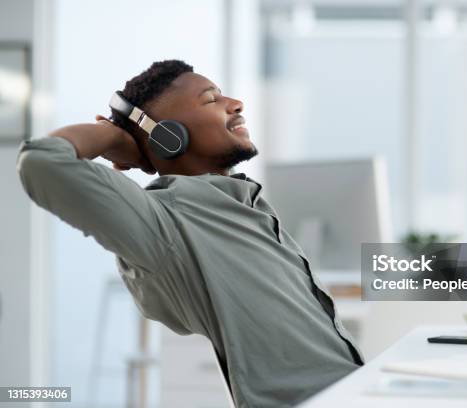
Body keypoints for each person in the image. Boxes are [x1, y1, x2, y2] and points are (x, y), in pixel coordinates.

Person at [17, 60, 363, 407]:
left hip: (358, 393)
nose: (235, 103)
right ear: (167, 134)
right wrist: (114, 135)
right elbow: (42, 161)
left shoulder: (249, 205)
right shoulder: (165, 220)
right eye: (211, 99)